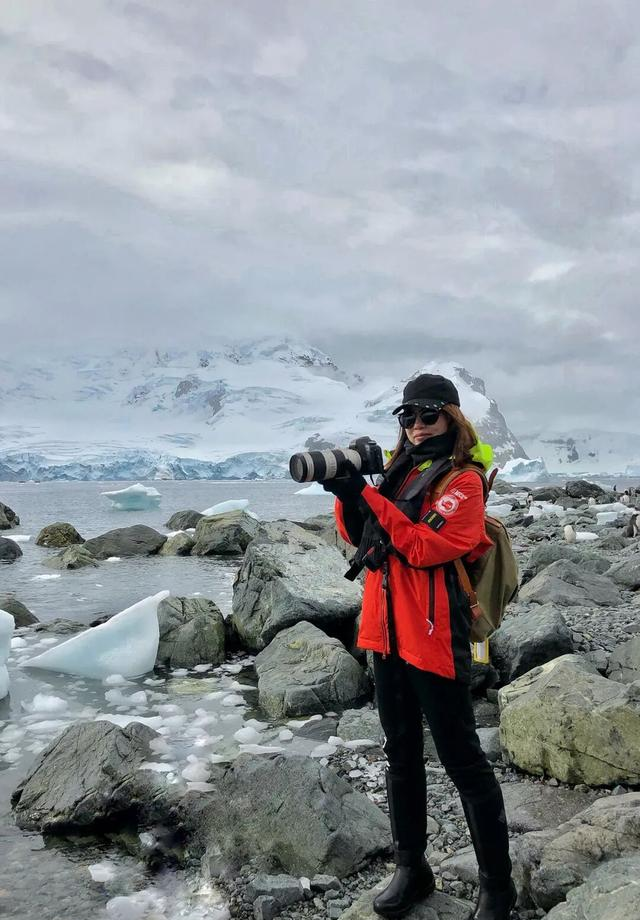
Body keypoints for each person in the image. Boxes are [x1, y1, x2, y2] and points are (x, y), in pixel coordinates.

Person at [323, 373, 516, 920]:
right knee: (400, 755)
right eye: (406, 416)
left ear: (452, 418)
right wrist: (348, 495)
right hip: (384, 633)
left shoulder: (465, 482)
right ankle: (412, 867)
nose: (414, 425)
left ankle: (497, 888)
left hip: (435, 636)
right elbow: (362, 538)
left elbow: (426, 546)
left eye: (427, 414)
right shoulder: (397, 474)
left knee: (463, 762)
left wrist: (364, 491)